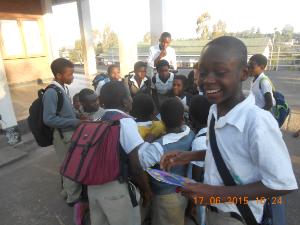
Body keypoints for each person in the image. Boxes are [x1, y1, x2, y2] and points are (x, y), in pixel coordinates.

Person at [160, 36, 298, 225]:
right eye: (203, 71)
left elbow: (282, 183)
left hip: (237, 217)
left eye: (220, 72)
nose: (207, 80)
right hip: (211, 210)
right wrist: (190, 156)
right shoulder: (214, 111)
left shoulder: (257, 122)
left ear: (243, 73)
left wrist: (216, 194)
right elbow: (228, 153)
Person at [88, 81, 152, 225]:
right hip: (116, 191)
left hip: (93, 188)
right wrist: (146, 190)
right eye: (129, 96)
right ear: (125, 101)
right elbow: (135, 166)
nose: (131, 99)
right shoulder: (125, 123)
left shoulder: (96, 120)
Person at [138, 98, 195, 225]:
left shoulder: (158, 146)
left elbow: (139, 162)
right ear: (182, 117)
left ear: (162, 120)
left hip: (165, 198)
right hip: (184, 191)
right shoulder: (189, 133)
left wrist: (148, 140)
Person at [43, 58, 82, 206]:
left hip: (68, 133)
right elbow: (49, 119)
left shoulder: (62, 88)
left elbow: (65, 111)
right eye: (70, 74)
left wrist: (78, 115)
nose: (72, 77)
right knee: (71, 166)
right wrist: (75, 122)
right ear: (59, 75)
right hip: (62, 135)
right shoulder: (52, 92)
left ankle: (67, 191)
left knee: (67, 164)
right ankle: (73, 198)